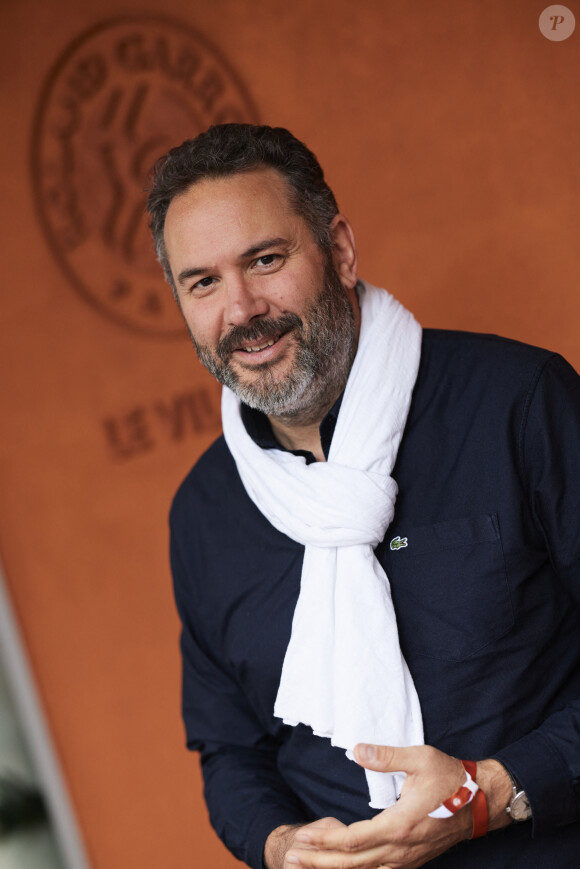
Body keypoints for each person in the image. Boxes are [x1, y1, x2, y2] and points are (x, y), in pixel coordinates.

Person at [146, 124, 580, 869]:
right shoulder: (204, 514)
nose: (243, 308)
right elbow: (230, 750)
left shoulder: (517, 402)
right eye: (204, 281)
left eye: (266, 259)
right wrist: (280, 845)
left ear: (340, 250)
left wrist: (493, 790)